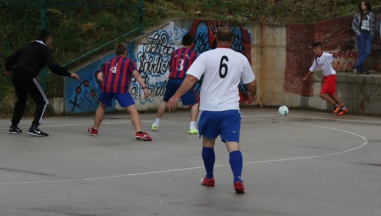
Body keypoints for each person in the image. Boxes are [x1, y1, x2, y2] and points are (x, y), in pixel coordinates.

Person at [166, 27, 257, 194]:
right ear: (231, 40)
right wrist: (253, 95)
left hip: (210, 109)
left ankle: (209, 177)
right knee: (233, 146)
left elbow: (191, 78)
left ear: (215, 39)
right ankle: (237, 179)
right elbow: (251, 84)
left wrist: (175, 96)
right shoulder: (241, 58)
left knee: (208, 143)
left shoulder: (205, 56)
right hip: (230, 110)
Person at [5, 29, 79, 136]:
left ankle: (13, 126)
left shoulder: (28, 46)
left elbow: (11, 58)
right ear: (48, 40)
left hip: (16, 74)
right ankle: (34, 127)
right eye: (51, 40)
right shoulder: (43, 49)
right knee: (43, 100)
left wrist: (8, 69)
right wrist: (68, 73)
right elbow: (52, 66)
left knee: (21, 99)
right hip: (27, 75)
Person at [88, 42, 153, 141]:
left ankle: (94, 130)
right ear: (126, 52)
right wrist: (144, 87)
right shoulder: (129, 62)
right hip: (120, 88)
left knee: (101, 106)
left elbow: (99, 77)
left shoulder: (108, 62)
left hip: (107, 87)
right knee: (132, 110)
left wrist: (105, 81)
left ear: (116, 52)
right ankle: (139, 132)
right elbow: (136, 75)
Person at [152, 33, 200, 134]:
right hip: (184, 81)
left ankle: (156, 123)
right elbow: (196, 69)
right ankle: (192, 126)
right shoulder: (193, 54)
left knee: (165, 101)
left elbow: (170, 67)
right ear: (192, 43)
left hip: (173, 79)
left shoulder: (175, 53)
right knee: (194, 103)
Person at [302, 41, 348, 115]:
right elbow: (312, 68)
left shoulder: (326, 55)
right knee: (331, 94)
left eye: (315, 49)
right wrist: (306, 77)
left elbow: (334, 55)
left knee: (322, 94)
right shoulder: (316, 58)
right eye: (313, 49)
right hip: (326, 77)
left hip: (331, 76)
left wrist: (339, 51)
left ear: (320, 49)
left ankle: (336, 106)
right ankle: (343, 108)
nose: (314, 51)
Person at [351, 0, 376, 75]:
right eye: (361, 5)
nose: (362, 6)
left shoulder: (371, 14)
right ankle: (361, 68)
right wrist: (358, 33)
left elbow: (374, 25)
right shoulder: (358, 14)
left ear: (367, 5)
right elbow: (353, 25)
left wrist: (372, 34)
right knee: (361, 52)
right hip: (361, 34)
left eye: (364, 5)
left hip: (369, 34)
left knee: (367, 52)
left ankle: (355, 66)